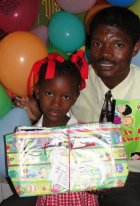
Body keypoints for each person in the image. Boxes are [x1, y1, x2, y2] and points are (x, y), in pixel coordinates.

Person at [71, 6, 140, 206]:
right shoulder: (75, 80)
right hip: (78, 168)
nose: (105, 53)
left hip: (132, 176)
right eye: (97, 43)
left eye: (117, 44)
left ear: (135, 47)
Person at [14, 50, 99, 206]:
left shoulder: (85, 134)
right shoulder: (30, 138)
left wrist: (98, 183)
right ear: (38, 92)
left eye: (65, 96)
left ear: (75, 98)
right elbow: (27, 181)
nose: (56, 103)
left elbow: (97, 176)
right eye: (49, 93)